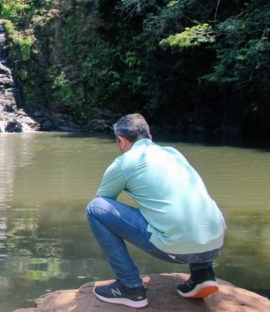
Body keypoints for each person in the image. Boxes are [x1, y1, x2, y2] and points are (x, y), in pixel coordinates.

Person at [86, 113, 226, 309]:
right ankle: (203, 274)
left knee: (94, 209)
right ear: (149, 137)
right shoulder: (173, 153)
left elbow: (103, 203)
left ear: (121, 140)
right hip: (215, 242)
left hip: (177, 249)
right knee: (184, 204)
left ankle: (131, 288)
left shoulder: (123, 162)